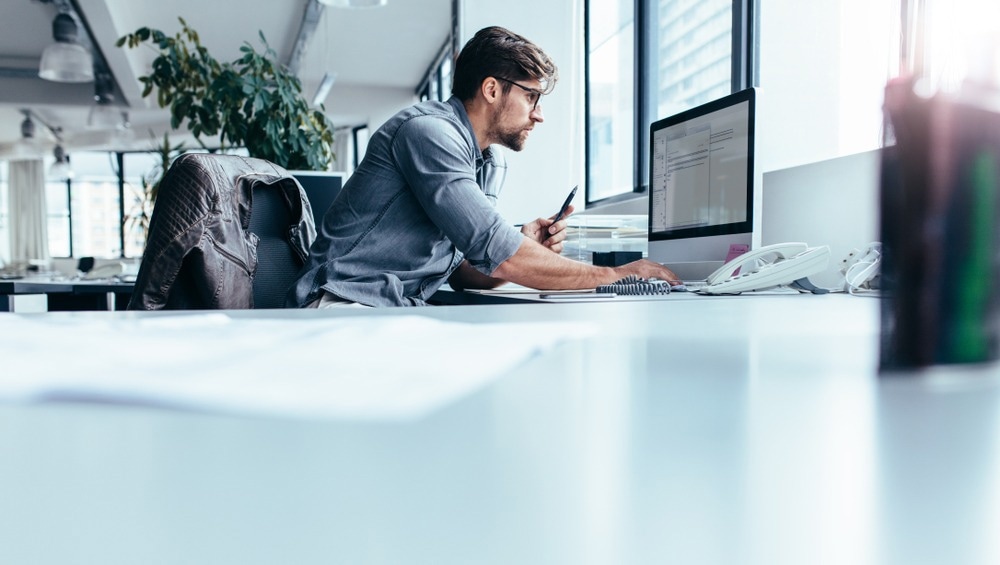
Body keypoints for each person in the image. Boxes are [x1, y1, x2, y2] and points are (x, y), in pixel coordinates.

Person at [286, 26, 678, 308]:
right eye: (532, 97)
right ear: (492, 89)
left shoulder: (489, 160)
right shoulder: (428, 134)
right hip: (342, 304)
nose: (539, 115)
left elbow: (463, 272)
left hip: (394, 309)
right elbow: (499, 252)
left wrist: (524, 242)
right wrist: (616, 276)